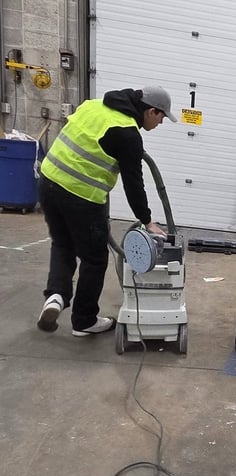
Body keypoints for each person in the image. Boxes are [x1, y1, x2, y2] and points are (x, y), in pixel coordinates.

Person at [36, 86, 176, 336]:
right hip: (81, 196)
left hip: (48, 182)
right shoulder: (128, 134)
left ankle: (56, 296)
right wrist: (147, 221)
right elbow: (134, 185)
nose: (161, 123)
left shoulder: (93, 105)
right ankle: (84, 321)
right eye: (162, 117)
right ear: (151, 111)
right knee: (95, 258)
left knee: (63, 244)